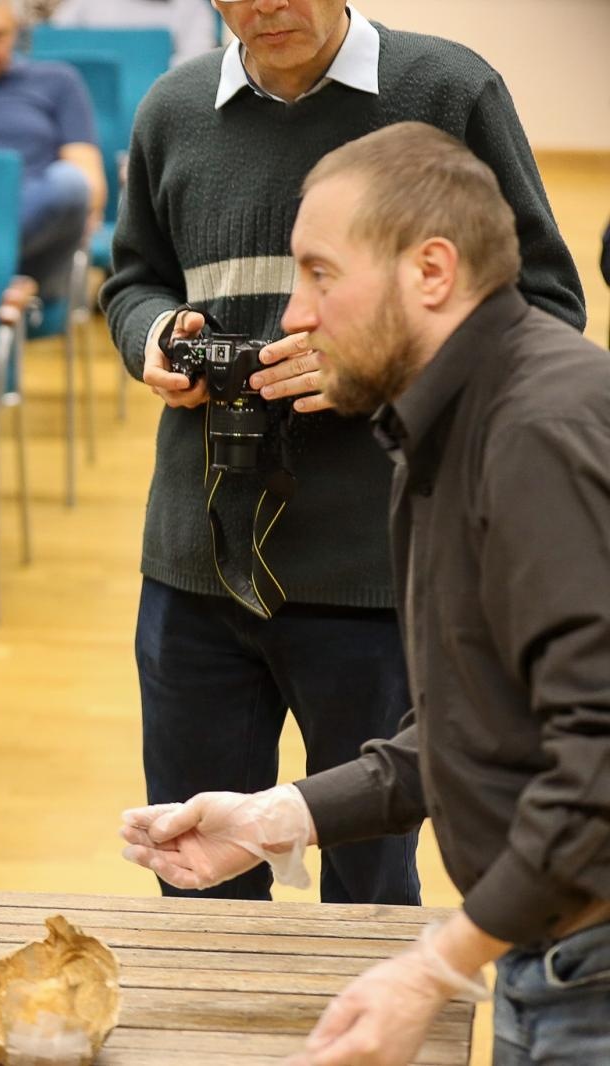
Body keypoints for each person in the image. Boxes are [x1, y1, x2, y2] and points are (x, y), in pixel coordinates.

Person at [122, 120, 610, 1066]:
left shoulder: (537, 432)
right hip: (547, 950)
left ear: (431, 272)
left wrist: (434, 968)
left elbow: (597, 764)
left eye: (319, 273)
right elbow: (488, 726)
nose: (293, 314)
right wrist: (279, 817)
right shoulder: (459, 420)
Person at [98, 0, 585, 906]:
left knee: (367, 882)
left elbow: (543, 306)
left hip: (378, 563)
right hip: (196, 564)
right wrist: (154, 334)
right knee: (194, 873)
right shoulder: (171, 107)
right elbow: (133, 278)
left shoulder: (448, 91)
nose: (264, 7)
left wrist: (372, 368)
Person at [0, 0, 106, 551]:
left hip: (34, 251)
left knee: (67, 188)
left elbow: (88, 184)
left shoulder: (57, 82)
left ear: (17, 33)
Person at [44, 0, 221, 67]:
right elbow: (55, 45)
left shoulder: (192, 7)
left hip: (160, 105)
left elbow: (194, 64)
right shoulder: (85, 4)